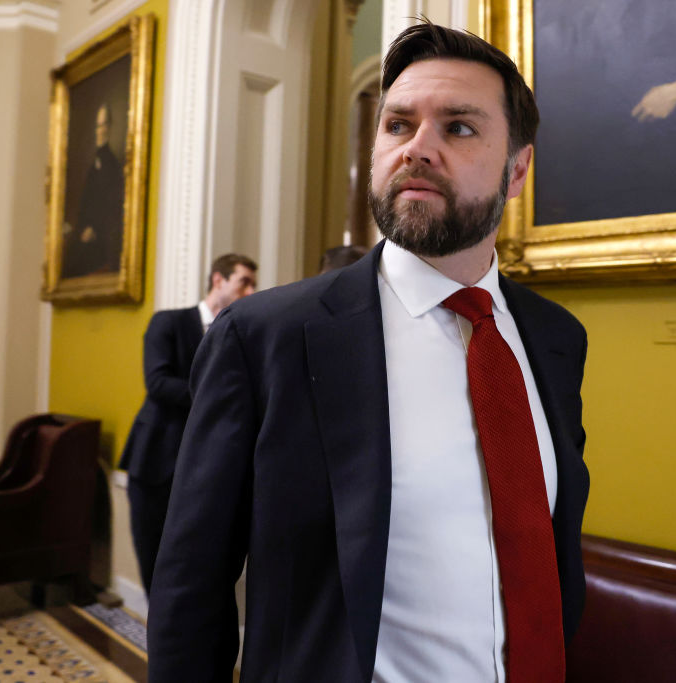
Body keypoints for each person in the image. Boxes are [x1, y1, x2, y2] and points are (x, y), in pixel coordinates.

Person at [148, 20, 588, 682]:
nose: (418, 148)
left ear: (517, 168)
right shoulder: (264, 339)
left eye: (459, 128)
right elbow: (191, 589)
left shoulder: (555, 339)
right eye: (398, 124)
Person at [119, 253, 257, 594]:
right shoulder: (168, 322)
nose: (251, 292)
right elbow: (158, 383)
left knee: (200, 566)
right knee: (154, 560)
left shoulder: (244, 331)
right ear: (218, 280)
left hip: (210, 466)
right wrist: (224, 397)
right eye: (244, 282)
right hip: (156, 461)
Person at [62, 103, 125, 278]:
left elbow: (111, 205)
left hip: (99, 238)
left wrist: (94, 229)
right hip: (84, 231)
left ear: (109, 127)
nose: (100, 130)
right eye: (98, 125)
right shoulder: (94, 163)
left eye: (103, 125)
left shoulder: (111, 164)